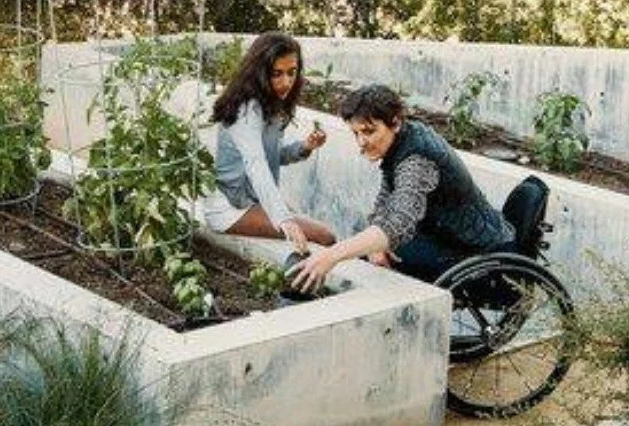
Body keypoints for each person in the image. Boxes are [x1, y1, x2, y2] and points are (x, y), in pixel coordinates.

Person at [289, 83, 513, 292]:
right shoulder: (403, 139)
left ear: (394, 123)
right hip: (450, 237)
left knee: (370, 257)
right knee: (368, 247)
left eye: (368, 131)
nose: (361, 142)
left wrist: (331, 256)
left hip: (476, 252)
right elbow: (386, 199)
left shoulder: (417, 159)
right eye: (356, 133)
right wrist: (374, 245)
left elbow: (399, 222)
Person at [201, 32, 335, 253]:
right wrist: (283, 219)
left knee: (316, 232)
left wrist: (305, 147)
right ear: (260, 73)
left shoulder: (270, 104)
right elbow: (256, 164)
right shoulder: (247, 109)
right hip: (229, 208)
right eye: (277, 74)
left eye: (292, 73)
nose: (286, 82)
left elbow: (272, 156)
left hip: (252, 201)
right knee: (325, 236)